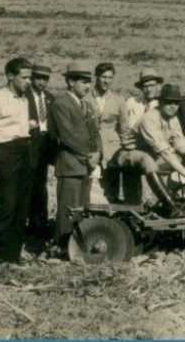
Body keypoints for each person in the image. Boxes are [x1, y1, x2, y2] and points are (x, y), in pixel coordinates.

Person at [0, 57, 34, 268]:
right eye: (24, 77)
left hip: (23, 152)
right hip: (5, 154)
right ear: (10, 76)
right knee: (7, 205)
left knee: (22, 206)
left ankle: (11, 256)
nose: (28, 81)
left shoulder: (24, 99)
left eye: (30, 77)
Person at [48, 61, 100, 248]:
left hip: (86, 165)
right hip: (70, 165)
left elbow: (95, 133)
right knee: (67, 209)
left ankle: (77, 245)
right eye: (83, 81)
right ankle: (61, 245)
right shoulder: (60, 104)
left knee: (82, 209)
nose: (87, 86)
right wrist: (89, 155)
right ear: (70, 82)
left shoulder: (88, 105)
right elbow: (67, 136)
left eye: (89, 82)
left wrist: (98, 153)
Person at [135, 84, 185, 214]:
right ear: (161, 102)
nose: (173, 106)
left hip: (153, 157)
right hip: (131, 156)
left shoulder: (173, 119)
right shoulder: (149, 119)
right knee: (149, 161)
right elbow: (165, 153)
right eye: (169, 102)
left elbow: (181, 144)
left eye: (176, 103)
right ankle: (171, 207)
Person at [106, 68, 163, 204]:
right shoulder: (132, 103)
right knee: (130, 176)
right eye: (145, 86)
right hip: (133, 149)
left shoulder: (163, 105)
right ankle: (133, 210)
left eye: (152, 86)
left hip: (155, 151)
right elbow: (123, 126)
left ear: (158, 86)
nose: (148, 89)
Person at [26, 64, 56, 240]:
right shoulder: (24, 97)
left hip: (45, 146)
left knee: (41, 185)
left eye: (45, 79)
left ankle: (40, 224)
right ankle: (30, 224)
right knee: (29, 185)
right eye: (38, 78)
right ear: (31, 78)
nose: (42, 82)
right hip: (30, 146)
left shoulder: (50, 98)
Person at [87, 62, 123, 205]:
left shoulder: (118, 100)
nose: (106, 81)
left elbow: (124, 128)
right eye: (103, 77)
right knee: (91, 183)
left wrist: (123, 149)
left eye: (110, 77)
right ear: (96, 77)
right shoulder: (85, 97)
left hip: (111, 149)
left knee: (110, 183)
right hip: (91, 146)